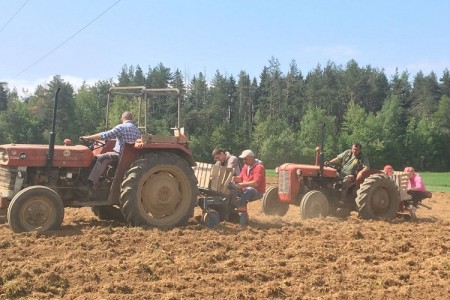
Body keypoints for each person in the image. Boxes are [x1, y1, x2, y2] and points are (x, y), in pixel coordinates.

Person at [80, 111, 141, 189]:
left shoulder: (121, 127)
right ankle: (102, 179)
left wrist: (88, 137)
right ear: (131, 119)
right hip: (131, 156)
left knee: (101, 158)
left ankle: (90, 184)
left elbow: (105, 135)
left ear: (122, 119)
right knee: (103, 156)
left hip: (120, 155)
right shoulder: (137, 130)